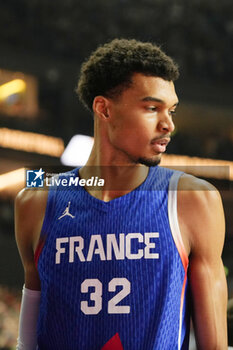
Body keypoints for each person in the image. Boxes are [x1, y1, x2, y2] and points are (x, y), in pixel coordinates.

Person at [15, 38, 228, 350]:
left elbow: (214, 346)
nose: (168, 124)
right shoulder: (36, 202)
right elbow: (27, 341)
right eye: (152, 108)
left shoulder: (195, 200)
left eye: (171, 110)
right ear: (104, 109)